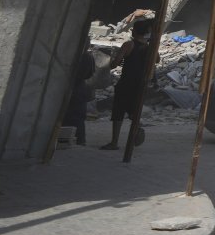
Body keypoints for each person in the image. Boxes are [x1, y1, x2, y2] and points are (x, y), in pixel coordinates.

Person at [101, 18, 153, 151]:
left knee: (118, 112)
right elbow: (156, 60)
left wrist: (112, 60)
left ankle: (114, 142)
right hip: (141, 84)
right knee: (133, 111)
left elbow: (115, 63)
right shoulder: (149, 48)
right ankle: (138, 127)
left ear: (135, 31)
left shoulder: (128, 45)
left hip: (126, 82)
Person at [64, 41, 98, 146]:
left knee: (72, 115)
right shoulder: (88, 57)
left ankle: (74, 138)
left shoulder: (81, 57)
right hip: (82, 89)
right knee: (78, 116)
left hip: (75, 88)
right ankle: (79, 138)